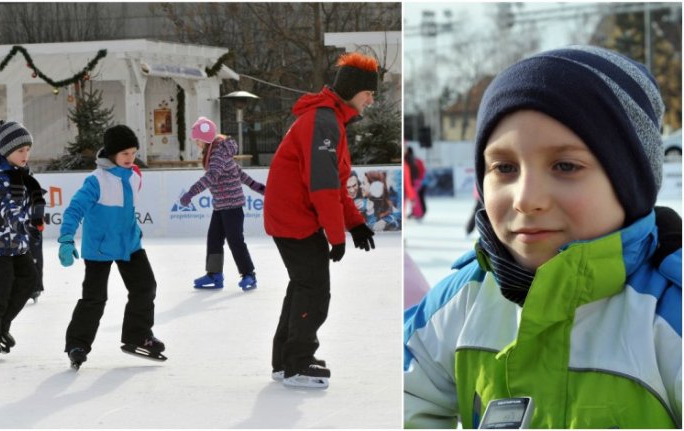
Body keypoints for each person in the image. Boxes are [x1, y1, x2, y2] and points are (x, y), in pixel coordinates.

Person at [404, 46, 681, 428]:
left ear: (629, 182)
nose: (526, 199)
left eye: (565, 166)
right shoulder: (460, 301)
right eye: (504, 167)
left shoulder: (669, 317)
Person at [264, 52, 378, 389]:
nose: (372, 99)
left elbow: (334, 184)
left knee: (303, 285)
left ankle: (286, 361)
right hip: (294, 219)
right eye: (368, 92)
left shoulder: (330, 120)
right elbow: (323, 187)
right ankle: (298, 363)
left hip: (293, 216)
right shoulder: (324, 123)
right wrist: (336, 235)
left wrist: (354, 223)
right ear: (353, 90)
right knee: (314, 290)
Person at [59, 124, 166, 370]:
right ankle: (77, 344)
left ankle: (138, 335)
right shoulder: (97, 180)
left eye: (133, 152)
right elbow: (75, 209)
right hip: (99, 247)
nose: (130, 158)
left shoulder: (135, 175)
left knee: (145, 287)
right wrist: (66, 238)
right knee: (94, 298)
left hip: (129, 244)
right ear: (112, 154)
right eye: (124, 154)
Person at [0, 120, 45, 360]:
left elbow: (30, 199)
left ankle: (0, 326)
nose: (25, 155)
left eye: (27, 150)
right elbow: (10, 209)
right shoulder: (3, 178)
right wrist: (28, 221)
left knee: (28, 279)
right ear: (6, 152)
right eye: (19, 151)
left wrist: (35, 213)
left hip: (16, 243)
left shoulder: (21, 174)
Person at [179, 117, 266, 291]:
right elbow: (240, 173)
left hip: (232, 207)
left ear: (205, 138)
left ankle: (249, 274)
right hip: (220, 206)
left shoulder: (218, 153)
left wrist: (191, 192)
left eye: (197, 139)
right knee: (214, 239)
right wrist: (259, 188)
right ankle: (214, 274)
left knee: (235, 240)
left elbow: (211, 177)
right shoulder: (218, 151)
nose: (196, 143)